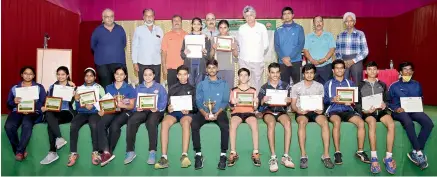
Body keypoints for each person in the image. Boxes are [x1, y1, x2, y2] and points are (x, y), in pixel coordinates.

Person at [388, 62, 434, 170]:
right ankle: (418, 152)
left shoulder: (417, 84)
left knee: (429, 123)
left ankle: (414, 151)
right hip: (399, 112)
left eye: (410, 70)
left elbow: (420, 98)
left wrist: (418, 105)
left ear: (413, 72)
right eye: (405, 69)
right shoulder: (394, 86)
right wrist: (396, 108)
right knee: (408, 123)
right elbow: (388, 102)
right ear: (400, 72)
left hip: (414, 110)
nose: (407, 71)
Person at [324, 59, 369, 165]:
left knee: (361, 123)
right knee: (336, 122)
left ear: (344, 70)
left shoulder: (350, 83)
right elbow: (324, 100)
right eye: (337, 68)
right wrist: (332, 99)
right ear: (333, 70)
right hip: (334, 110)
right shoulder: (328, 84)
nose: (339, 70)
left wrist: (352, 102)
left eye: (341, 68)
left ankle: (360, 151)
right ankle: (337, 152)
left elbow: (355, 99)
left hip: (347, 110)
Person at [291, 64, 334, 169]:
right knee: (301, 123)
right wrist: (298, 110)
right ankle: (303, 155)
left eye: (311, 73)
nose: (309, 75)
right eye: (307, 73)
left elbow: (321, 103)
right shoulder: (296, 87)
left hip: (315, 111)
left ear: (314, 74)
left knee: (325, 122)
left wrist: (321, 109)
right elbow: (293, 105)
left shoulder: (319, 86)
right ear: (303, 74)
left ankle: (326, 155)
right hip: (302, 111)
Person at [356, 61, 396, 174]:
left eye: (374, 69)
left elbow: (387, 100)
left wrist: (385, 105)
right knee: (372, 123)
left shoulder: (382, 84)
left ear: (377, 71)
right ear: (366, 71)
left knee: (391, 124)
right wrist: (364, 110)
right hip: (368, 113)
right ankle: (374, 157)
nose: (372, 71)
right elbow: (357, 103)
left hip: (381, 112)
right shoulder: (360, 85)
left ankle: (388, 157)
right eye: (369, 69)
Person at [155, 65, 197, 169]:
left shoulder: (193, 89)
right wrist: (168, 109)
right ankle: (164, 157)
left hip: (186, 114)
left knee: (186, 123)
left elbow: (196, 107)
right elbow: (167, 105)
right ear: (177, 76)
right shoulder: (172, 88)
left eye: (185, 75)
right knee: (164, 123)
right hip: (174, 113)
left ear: (188, 75)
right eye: (180, 75)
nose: (183, 77)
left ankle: (184, 155)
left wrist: (190, 109)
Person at [191, 59, 230, 170]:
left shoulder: (224, 84)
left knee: (225, 126)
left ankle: (223, 155)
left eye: (214, 67)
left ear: (217, 69)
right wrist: (204, 113)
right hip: (204, 112)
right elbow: (198, 101)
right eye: (209, 68)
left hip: (219, 112)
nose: (212, 70)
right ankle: (198, 154)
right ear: (206, 70)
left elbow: (224, 101)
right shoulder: (201, 84)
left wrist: (216, 113)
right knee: (194, 125)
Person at [124, 67, 167, 165]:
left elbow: (164, 102)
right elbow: (134, 102)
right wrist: (136, 108)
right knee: (131, 120)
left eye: (150, 74)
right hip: (143, 111)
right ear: (142, 76)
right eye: (145, 75)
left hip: (155, 111)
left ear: (154, 75)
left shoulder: (159, 87)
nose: (147, 77)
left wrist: (158, 108)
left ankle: (152, 151)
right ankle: (130, 151)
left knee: (151, 122)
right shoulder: (139, 88)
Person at [258, 62, 294, 172]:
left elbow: (290, 103)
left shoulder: (286, 86)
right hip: (268, 111)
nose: (275, 75)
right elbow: (259, 106)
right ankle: (273, 157)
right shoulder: (264, 87)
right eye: (272, 72)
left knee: (288, 123)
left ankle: (286, 156)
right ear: (268, 73)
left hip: (281, 111)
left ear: (280, 73)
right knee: (271, 123)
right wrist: (263, 101)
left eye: (277, 72)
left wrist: (289, 101)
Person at [5, 66, 46, 161]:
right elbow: (9, 103)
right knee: (9, 126)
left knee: (27, 123)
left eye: (30, 74)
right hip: (18, 111)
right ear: (22, 75)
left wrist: (33, 106)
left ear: (34, 75)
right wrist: (14, 101)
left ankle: (19, 152)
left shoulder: (39, 87)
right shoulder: (15, 88)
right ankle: (19, 150)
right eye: (26, 73)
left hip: (33, 112)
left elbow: (43, 102)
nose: (28, 76)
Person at [97, 66, 136, 166]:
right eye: (117, 74)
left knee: (115, 125)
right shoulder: (109, 87)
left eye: (121, 74)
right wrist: (102, 110)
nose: (119, 76)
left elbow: (131, 106)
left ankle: (109, 152)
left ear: (125, 76)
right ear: (114, 75)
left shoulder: (129, 88)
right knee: (101, 123)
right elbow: (106, 102)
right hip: (112, 110)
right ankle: (106, 152)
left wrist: (122, 105)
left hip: (125, 111)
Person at [67, 68, 106, 167]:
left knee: (94, 125)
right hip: (82, 113)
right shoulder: (79, 89)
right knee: (73, 125)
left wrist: (97, 108)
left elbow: (104, 101)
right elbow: (75, 107)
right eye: (86, 76)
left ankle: (95, 152)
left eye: (91, 76)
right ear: (84, 77)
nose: (88, 78)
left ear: (95, 77)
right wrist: (76, 100)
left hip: (94, 113)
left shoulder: (99, 88)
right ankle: (73, 153)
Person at [40, 66, 76, 165]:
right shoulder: (52, 87)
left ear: (67, 75)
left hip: (67, 112)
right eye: (59, 74)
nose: (60, 76)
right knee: (49, 115)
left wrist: (74, 92)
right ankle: (59, 139)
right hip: (54, 110)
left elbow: (76, 101)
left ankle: (52, 152)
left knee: (51, 123)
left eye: (63, 74)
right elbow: (48, 101)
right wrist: (45, 107)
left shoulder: (72, 86)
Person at [227, 68, 261, 167]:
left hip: (249, 112)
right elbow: (230, 106)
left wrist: (256, 103)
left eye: (245, 75)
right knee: (232, 124)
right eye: (241, 75)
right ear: (238, 77)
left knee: (254, 124)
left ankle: (255, 152)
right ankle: (233, 152)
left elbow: (254, 107)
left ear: (249, 77)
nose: (243, 77)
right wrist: (233, 103)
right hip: (237, 112)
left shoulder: (253, 90)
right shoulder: (234, 90)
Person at [91, 8, 127, 88]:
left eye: (111, 16)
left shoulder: (120, 29)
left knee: (121, 88)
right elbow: (93, 46)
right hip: (102, 64)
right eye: (107, 17)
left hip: (119, 62)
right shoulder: (97, 30)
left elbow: (124, 43)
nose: (109, 19)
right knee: (105, 87)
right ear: (103, 18)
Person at [238, 5, 269, 92]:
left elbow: (266, 45)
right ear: (244, 17)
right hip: (244, 60)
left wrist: (258, 53)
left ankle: (256, 103)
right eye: (246, 16)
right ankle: (245, 103)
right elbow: (239, 44)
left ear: (255, 15)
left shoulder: (262, 27)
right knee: (244, 81)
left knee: (257, 82)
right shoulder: (242, 28)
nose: (249, 18)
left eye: (251, 15)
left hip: (257, 61)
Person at [274, 6, 305, 85]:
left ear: (293, 15)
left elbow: (300, 44)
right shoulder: (278, 30)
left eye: (289, 13)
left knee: (298, 85)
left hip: (296, 61)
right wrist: (284, 59)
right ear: (282, 16)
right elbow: (277, 46)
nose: (287, 15)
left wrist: (290, 58)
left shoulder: (299, 28)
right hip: (282, 62)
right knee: (284, 86)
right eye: (284, 14)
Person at [335, 12, 369, 83]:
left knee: (357, 83)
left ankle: (357, 94)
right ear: (344, 23)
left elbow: (365, 51)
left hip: (357, 60)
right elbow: (337, 52)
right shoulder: (340, 35)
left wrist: (353, 60)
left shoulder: (360, 34)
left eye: (351, 21)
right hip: (343, 61)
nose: (349, 23)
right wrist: (342, 61)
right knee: (343, 82)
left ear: (354, 22)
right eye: (346, 21)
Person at [132, 8, 163, 84]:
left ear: (154, 17)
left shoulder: (159, 30)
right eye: (147, 16)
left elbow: (162, 47)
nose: (149, 18)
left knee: (156, 85)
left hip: (156, 62)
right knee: (143, 85)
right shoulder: (138, 30)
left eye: (151, 16)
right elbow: (134, 46)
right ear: (143, 17)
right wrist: (134, 62)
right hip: (142, 63)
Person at [303, 15, 335, 85]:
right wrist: (312, 60)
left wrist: (324, 59)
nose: (318, 23)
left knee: (327, 88)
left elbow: (332, 49)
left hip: (326, 66)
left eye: (320, 21)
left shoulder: (329, 35)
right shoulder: (308, 36)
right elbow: (305, 50)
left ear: (323, 23)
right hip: (312, 67)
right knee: (312, 89)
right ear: (313, 23)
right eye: (316, 22)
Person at [180, 17, 211, 87]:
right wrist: (185, 52)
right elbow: (182, 55)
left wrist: (205, 53)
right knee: (190, 87)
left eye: (198, 24)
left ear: (201, 26)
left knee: (200, 87)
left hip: (201, 66)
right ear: (191, 25)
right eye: (194, 24)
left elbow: (209, 56)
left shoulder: (206, 38)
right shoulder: (187, 38)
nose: (196, 26)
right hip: (189, 65)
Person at [210, 20, 239, 87]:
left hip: (229, 68)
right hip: (217, 68)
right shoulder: (214, 39)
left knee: (228, 89)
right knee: (217, 89)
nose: (223, 30)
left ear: (228, 28)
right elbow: (211, 56)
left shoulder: (233, 39)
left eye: (225, 27)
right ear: (218, 28)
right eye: (221, 27)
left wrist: (234, 48)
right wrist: (214, 48)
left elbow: (236, 55)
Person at [162, 15, 188, 88]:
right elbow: (164, 52)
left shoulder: (187, 35)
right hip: (171, 69)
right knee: (172, 90)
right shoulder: (167, 36)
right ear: (172, 22)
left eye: (178, 20)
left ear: (181, 22)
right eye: (175, 21)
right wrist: (164, 67)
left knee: (183, 91)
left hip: (184, 68)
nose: (177, 22)